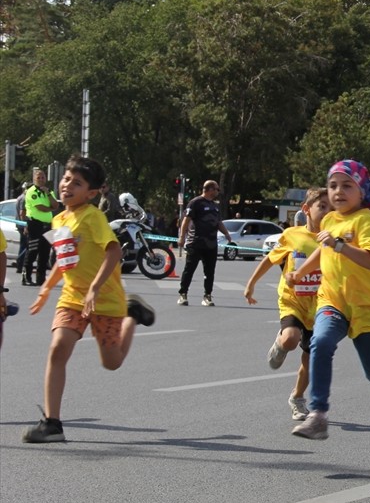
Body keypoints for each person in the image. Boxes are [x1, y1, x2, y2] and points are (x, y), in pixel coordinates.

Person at [286, 160, 370, 440]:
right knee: (320, 342)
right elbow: (322, 252)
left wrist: (339, 244)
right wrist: (300, 272)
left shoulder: (368, 222)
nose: (338, 191)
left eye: (347, 185)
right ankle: (318, 416)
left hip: (367, 306)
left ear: (362, 191)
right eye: (333, 185)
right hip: (333, 301)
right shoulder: (328, 220)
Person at [23, 156, 156, 444]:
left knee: (112, 362)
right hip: (72, 299)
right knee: (58, 347)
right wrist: (46, 288)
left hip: (105, 300)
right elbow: (65, 259)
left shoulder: (93, 217)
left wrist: (95, 288)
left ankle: (132, 314)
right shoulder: (59, 218)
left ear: (92, 193)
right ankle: (52, 424)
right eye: (66, 179)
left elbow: (113, 252)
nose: (67, 185)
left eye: (77, 183)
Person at [244, 187, 331, 422]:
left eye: (330, 208)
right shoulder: (292, 235)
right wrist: (251, 284)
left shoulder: (334, 239)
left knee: (310, 359)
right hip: (292, 300)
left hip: (321, 306)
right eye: (321, 207)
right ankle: (281, 343)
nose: (326, 211)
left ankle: (297, 398)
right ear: (306, 210)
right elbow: (270, 260)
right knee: (291, 338)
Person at [177, 180, 235, 307]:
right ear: (210, 189)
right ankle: (183, 294)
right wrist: (182, 237)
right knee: (189, 270)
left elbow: (218, 222)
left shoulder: (215, 206)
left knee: (209, 272)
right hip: (196, 242)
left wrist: (226, 233)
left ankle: (207, 296)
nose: (218, 192)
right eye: (217, 189)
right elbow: (186, 220)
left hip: (211, 244)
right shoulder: (195, 202)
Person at [23, 167, 57, 287]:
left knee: (45, 252)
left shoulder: (48, 191)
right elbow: (40, 207)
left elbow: (56, 205)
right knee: (32, 250)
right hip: (35, 224)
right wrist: (50, 208)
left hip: (47, 225)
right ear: (34, 179)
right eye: (39, 177)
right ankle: (26, 277)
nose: (41, 179)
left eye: (43, 177)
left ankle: (40, 279)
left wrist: (48, 194)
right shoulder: (31, 191)